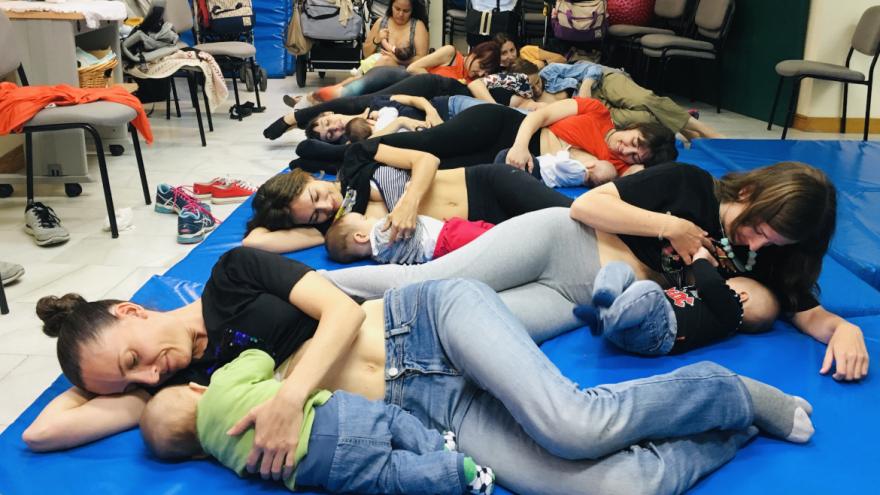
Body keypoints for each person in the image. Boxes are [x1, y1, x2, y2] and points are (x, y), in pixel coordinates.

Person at [25, 246, 815, 494]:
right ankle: (725, 430)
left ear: (132, 308)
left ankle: (731, 389)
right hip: (424, 411)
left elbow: (336, 311)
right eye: (130, 383)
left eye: (133, 356)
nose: (146, 374)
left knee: (571, 424)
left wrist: (289, 395)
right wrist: (95, 372)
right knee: (596, 488)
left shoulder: (232, 276)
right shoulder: (177, 392)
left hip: (427, 322)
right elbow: (39, 432)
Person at [322, 162, 869, 381]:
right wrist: (668, 226)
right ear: (748, 194)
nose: (757, 243)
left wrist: (847, 329)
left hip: (579, 303)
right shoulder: (688, 185)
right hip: (563, 242)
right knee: (426, 282)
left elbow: (805, 309)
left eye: (774, 242)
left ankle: (327, 333)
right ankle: (301, 288)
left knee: (460, 321)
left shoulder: (770, 254)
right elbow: (585, 206)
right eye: (757, 228)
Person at [140, 349, 495, 495]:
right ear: (194, 389)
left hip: (326, 467)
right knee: (391, 417)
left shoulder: (222, 456)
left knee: (391, 474)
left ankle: (457, 473)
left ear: (195, 456)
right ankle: (435, 443)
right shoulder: (219, 385)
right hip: (333, 413)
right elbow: (259, 359)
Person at [243, 145, 571, 253]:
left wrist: (408, 204)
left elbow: (426, 160)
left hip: (489, 186)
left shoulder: (356, 159)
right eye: (314, 214)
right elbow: (253, 243)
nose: (325, 206)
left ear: (311, 178)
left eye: (316, 195)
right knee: (567, 244)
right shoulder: (335, 227)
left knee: (575, 217)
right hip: (484, 231)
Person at [368, 97, 676, 180]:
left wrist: (645, 166)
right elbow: (538, 116)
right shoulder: (597, 111)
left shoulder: (617, 167)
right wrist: (518, 145)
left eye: (635, 156)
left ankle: (364, 161)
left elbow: (638, 180)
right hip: (504, 127)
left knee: (435, 167)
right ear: (635, 127)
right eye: (633, 141)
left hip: (500, 158)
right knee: (425, 145)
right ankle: (357, 150)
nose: (626, 150)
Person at [575, 253, 779, 356]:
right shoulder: (717, 310)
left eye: (727, 283)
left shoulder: (732, 314)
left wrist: (701, 260)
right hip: (634, 322)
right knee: (621, 269)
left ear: (742, 295)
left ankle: (605, 319)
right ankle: (605, 297)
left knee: (650, 291)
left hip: (656, 333)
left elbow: (710, 284)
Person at [325, 211, 493, 264]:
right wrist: (407, 193)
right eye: (364, 218)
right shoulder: (380, 233)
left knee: (494, 233)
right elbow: (403, 218)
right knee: (494, 240)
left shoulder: (379, 257)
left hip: (446, 237)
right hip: (447, 237)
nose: (370, 217)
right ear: (361, 236)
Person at [363, 0, 429, 67]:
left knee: (386, 60)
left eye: (406, 11)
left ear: (412, 10)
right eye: (397, 9)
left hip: (406, 73)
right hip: (377, 72)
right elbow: (366, 54)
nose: (401, 14)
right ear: (391, 6)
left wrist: (399, 61)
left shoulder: (418, 26)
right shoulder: (380, 22)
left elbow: (422, 58)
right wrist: (377, 39)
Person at [406, 42, 502, 84]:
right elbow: (413, 68)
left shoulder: (476, 82)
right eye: (481, 66)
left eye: (485, 73)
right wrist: (436, 84)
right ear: (473, 54)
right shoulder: (450, 53)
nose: (481, 73)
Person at [495, 32, 566, 70]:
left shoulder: (526, 51)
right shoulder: (498, 73)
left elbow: (562, 59)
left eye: (512, 50)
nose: (510, 56)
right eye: (504, 53)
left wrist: (544, 64)